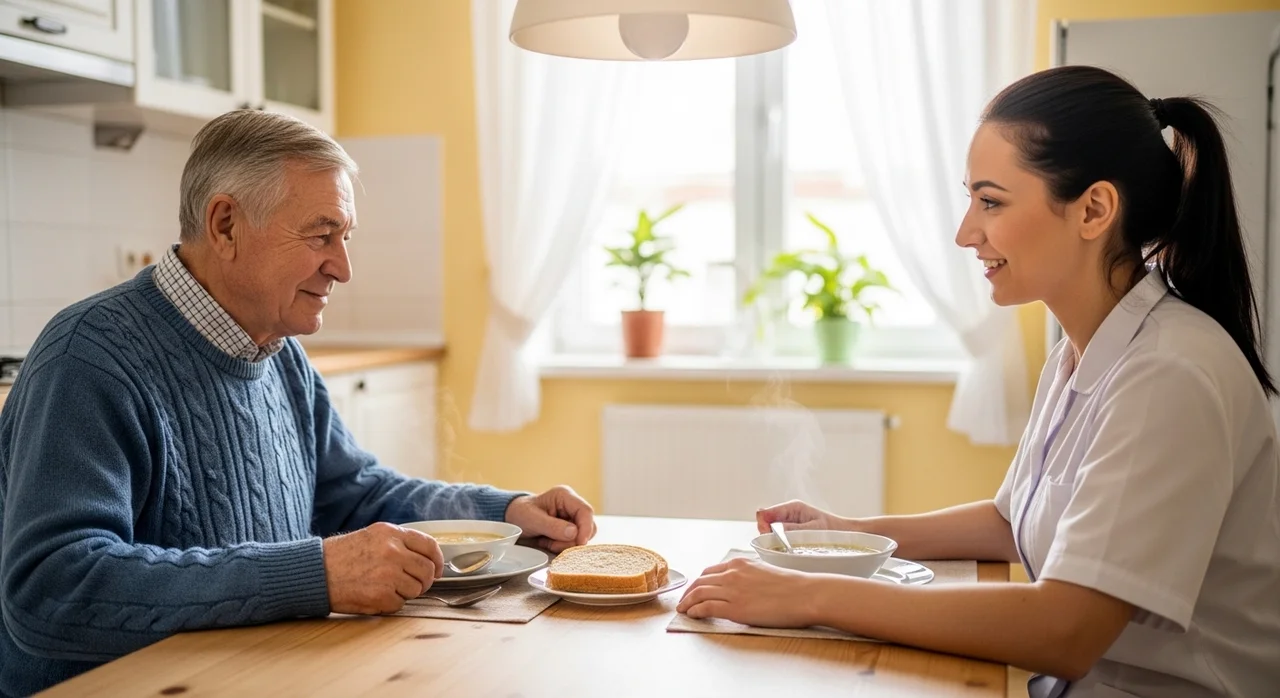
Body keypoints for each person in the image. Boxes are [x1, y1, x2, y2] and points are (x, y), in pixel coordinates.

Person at [678, 65, 1280, 697]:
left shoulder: (1169, 374)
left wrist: (808, 596)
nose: (967, 233)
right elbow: (1009, 521)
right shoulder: (1084, 351)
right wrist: (847, 534)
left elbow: (1065, 631)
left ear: (1094, 209)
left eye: (991, 201)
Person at [0, 109, 597, 697]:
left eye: (345, 237)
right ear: (226, 225)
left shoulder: (279, 353)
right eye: (321, 235)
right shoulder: (88, 357)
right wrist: (315, 574)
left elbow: (355, 495)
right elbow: (49, 588)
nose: (342, 266)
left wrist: (505, 515)